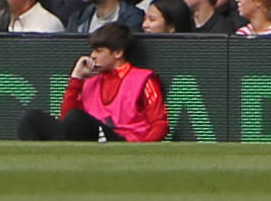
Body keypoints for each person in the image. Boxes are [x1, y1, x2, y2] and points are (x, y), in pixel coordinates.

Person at [23, 16, 168, 142]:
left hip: (123, 141)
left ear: (118, 52)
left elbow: (159, 124)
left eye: (98, 51)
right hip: (92, 137)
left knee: (76, 118)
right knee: (31, 118)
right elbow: (65, 120)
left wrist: (140, 150)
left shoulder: (143, 79)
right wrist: (76, 78)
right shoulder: (90, 81)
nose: (92, 55)